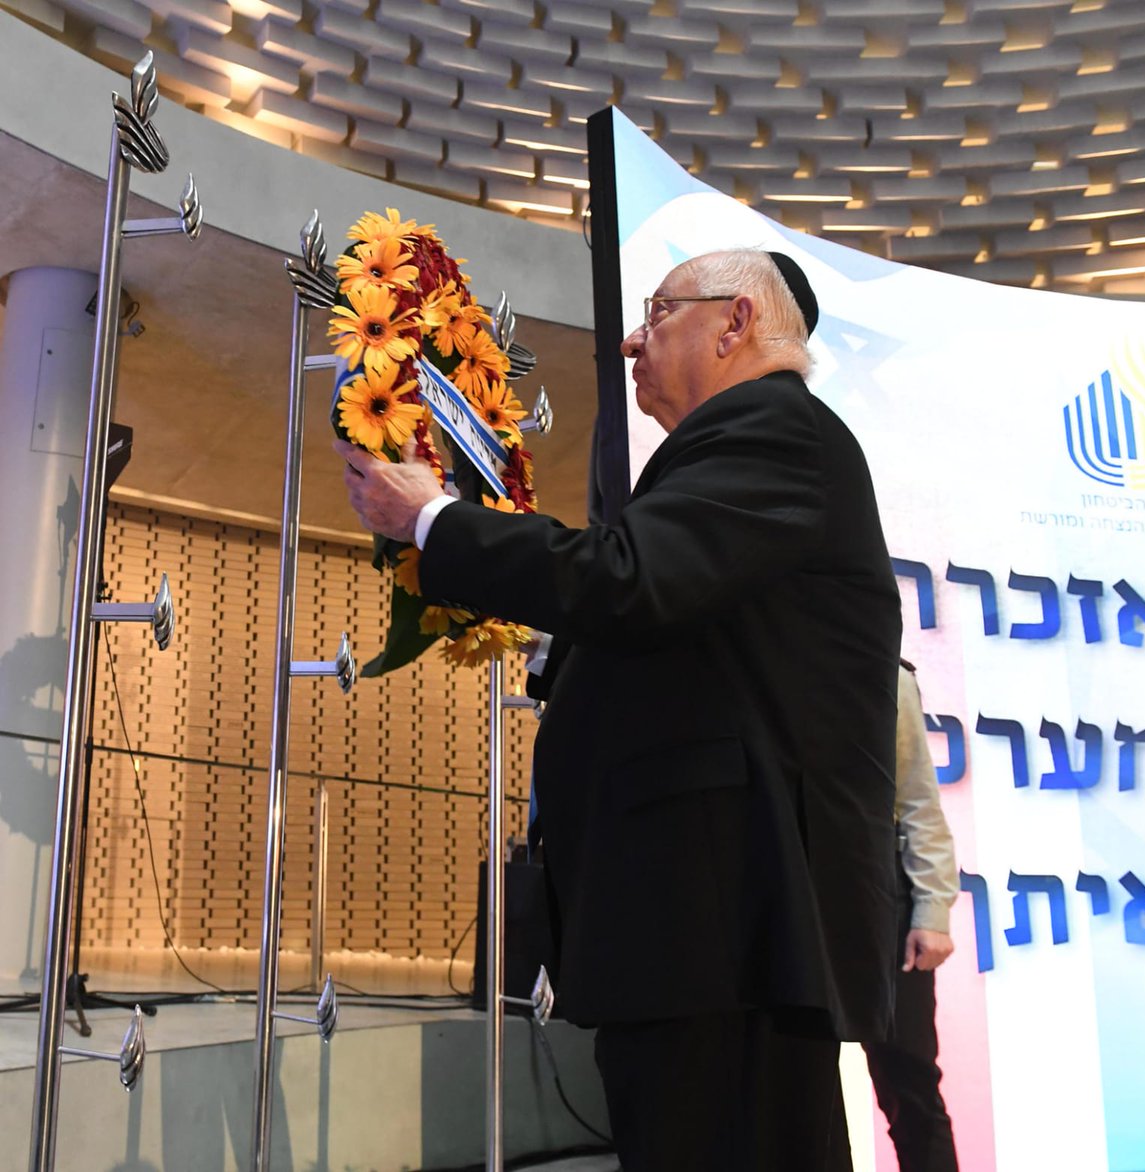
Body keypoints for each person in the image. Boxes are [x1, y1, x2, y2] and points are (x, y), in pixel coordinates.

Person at [336, 248, 901, 1171]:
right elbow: (679, 633)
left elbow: (630, 581)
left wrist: (435, 519)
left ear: (736, 323)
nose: (634, 339)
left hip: (725, 925)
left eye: (661, 311)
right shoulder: (751, 446)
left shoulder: (772, 428)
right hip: (707, 931)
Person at [868, 661, 960, 1171]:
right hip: (792, 887)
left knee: (910, 1083)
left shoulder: (886, 671)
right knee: (794, 1086)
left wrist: (932, 908)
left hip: (884, 891)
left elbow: (918, 798)